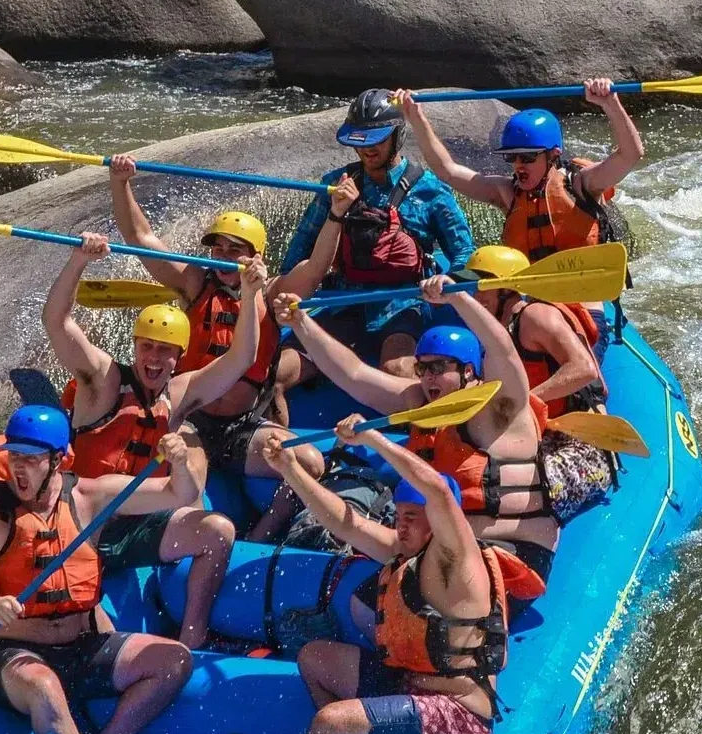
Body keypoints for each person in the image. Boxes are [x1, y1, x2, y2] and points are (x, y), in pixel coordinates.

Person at [263, 418, 545, 734]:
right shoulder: (404, 551)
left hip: (458, 712)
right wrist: (289, 469)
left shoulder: (458, 560)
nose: (401, 525)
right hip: (408, 685)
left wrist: (374, 440)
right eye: (399, 516)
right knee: (314, 657)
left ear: (439, 522)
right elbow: (345, 523)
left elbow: (440, 493)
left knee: (331, 721)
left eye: (412, 517)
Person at [43, 233, 267, 647]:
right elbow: (56, 322)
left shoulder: (179, 394)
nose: (155, 359)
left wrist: (251, 294)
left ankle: (192, 637)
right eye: (147, 347)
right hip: (83, 521)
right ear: (135, 347)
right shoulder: (102, 381)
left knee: (218, 531)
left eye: (166, 351)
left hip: (140, 523)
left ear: (179, 356)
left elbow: (242, 359)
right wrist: (78, 261)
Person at [275, 277, 559, 599]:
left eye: (438, 367)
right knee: (364, 602)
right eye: (422, 368)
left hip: (511, 549)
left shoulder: (498, 409)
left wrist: (458, 299)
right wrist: (301, 323)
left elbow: (502, 351)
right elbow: (352, 374)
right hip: (444, 543)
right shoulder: (420, 401)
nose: (428, 377)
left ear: (468, 371)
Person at [0, 405, 199, 734]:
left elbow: (179, 494)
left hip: (82, 645)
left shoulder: (91, 498)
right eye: (14, 455)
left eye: (31, 459)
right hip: (12, 652)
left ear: (59, 460)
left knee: (175, 660)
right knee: (45, 686)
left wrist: (181, 463)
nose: (18, 466)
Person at [105, 153, 351, 477]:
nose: (223, 257)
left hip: (241, 426)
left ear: (256, 257)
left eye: (234, 250)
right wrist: (120, 183)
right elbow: (141, 238)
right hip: (190, 419)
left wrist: (335, 215)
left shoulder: (273, 293)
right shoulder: (195, 283)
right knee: (186, 471)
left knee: (311, 463)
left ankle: (269, 528)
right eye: (218, 249)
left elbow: (317, 267)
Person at [394, 79, 642, 351]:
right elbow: (447, 170)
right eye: (512, 158)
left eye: (527, 157)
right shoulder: (507, 193)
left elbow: (630, 154)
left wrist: (610, 103)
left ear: (553, 155)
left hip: (581, 311)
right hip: (528, 310)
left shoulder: (582, 184)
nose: (519, 166)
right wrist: (416, 117)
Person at [280, 90, 475, 373]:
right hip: (344, 301)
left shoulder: (430, 190)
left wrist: (447, 283)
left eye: (377, 139)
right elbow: (300, 250)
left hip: (402, 302)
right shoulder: (336, 185)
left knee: (397, 368)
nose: (367, 150)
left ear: (398, 135)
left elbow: (465, 254)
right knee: (281, 372)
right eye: (360, 141)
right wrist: (282, 289)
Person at [463, 244, 606, 417]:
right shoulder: (496, 329)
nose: (475, 296)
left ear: (506, 288)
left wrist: (523, 404)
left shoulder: (534, 316)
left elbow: (584, 370)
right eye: (473, 287)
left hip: (575, 424)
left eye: (481, 287)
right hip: (536, 426)